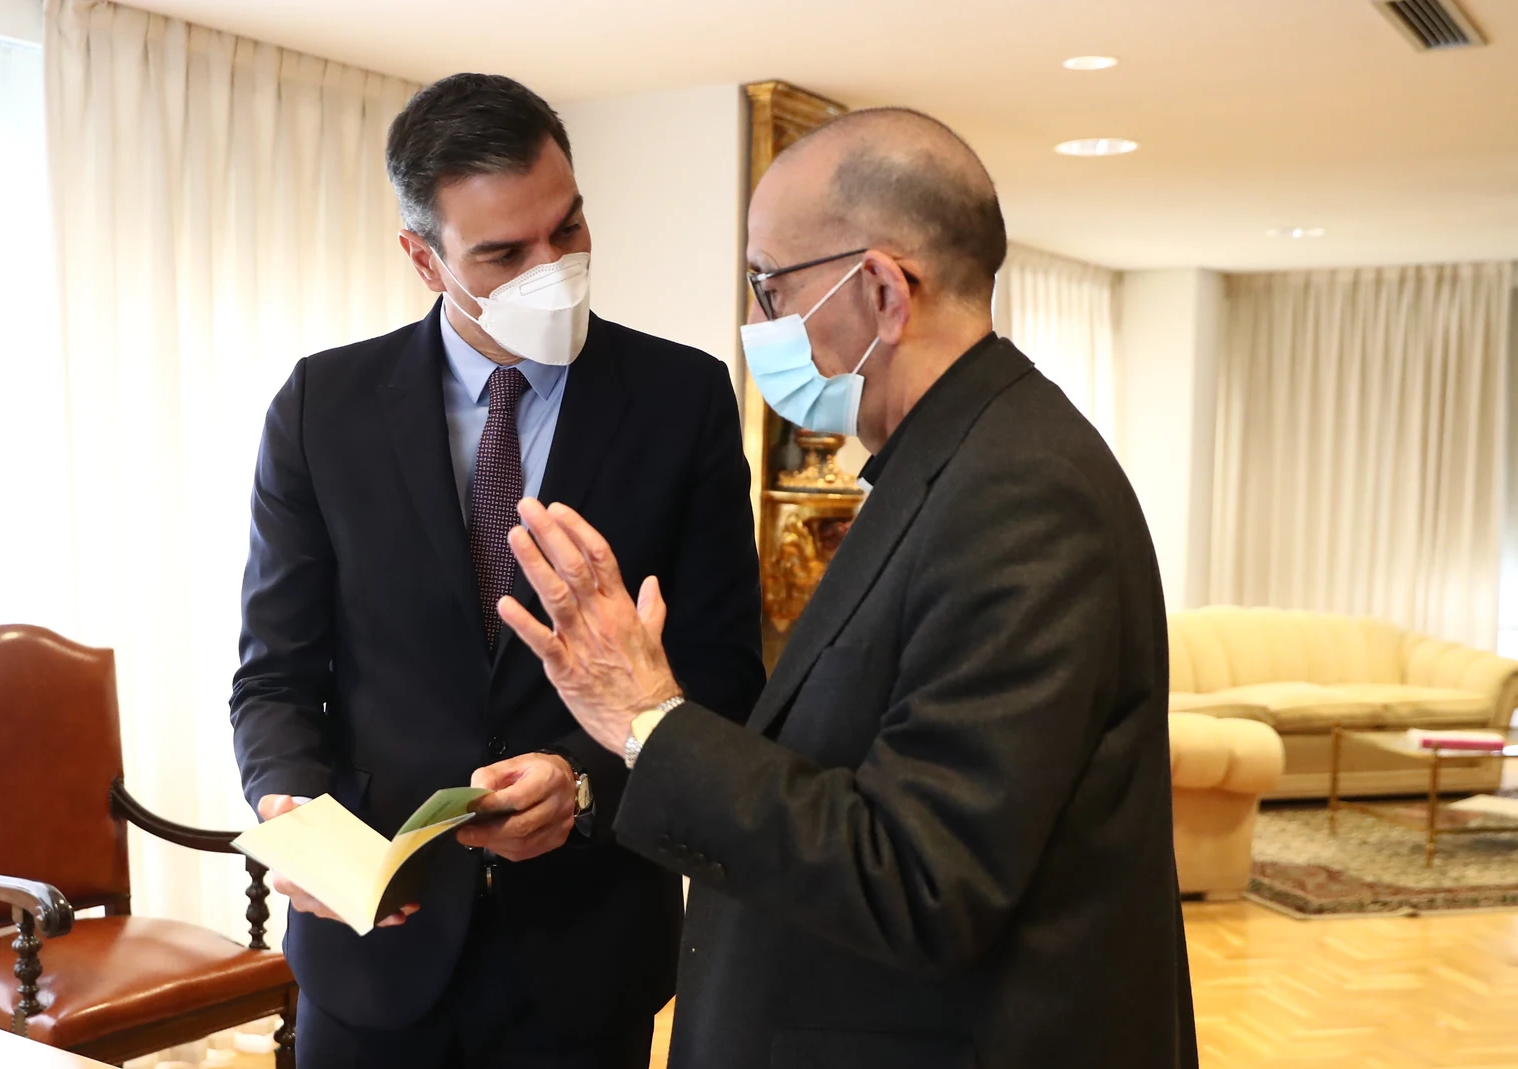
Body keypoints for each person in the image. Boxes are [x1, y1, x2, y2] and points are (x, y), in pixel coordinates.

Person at [497, 107, 1199, 1069]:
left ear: (881, 289)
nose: (756, 325)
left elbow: (921, 877)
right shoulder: (953, 459)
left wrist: (648, 717)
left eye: (768, 285)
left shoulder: (1021, 494)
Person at [228, 73, 764, 1068]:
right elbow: (275, 674)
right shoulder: (321, 407)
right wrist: (286, 804)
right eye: (504, 253)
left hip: (586, 943)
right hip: (372, 943)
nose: (551, 266)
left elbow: (724, 671)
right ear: (423, 259)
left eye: (566, 229)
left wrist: (588, 780)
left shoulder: (681, 399)